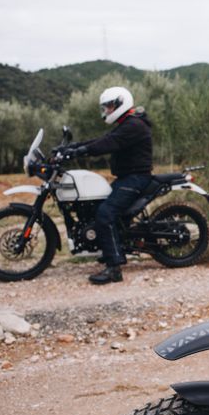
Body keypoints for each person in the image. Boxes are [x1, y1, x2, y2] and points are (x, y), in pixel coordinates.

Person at [65, 87, 153, 285]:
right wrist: (72, 147)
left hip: (136, 178)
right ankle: (110, 248)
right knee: (99, 208)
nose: (107, 110)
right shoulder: (127, 123)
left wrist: (80, 151)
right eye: (106, 107)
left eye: (110, 106)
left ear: (122, 103)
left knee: (105, 214)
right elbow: (103, 140)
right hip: (127, 178)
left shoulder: (134, 125)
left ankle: (114, 268)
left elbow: (107, 144)